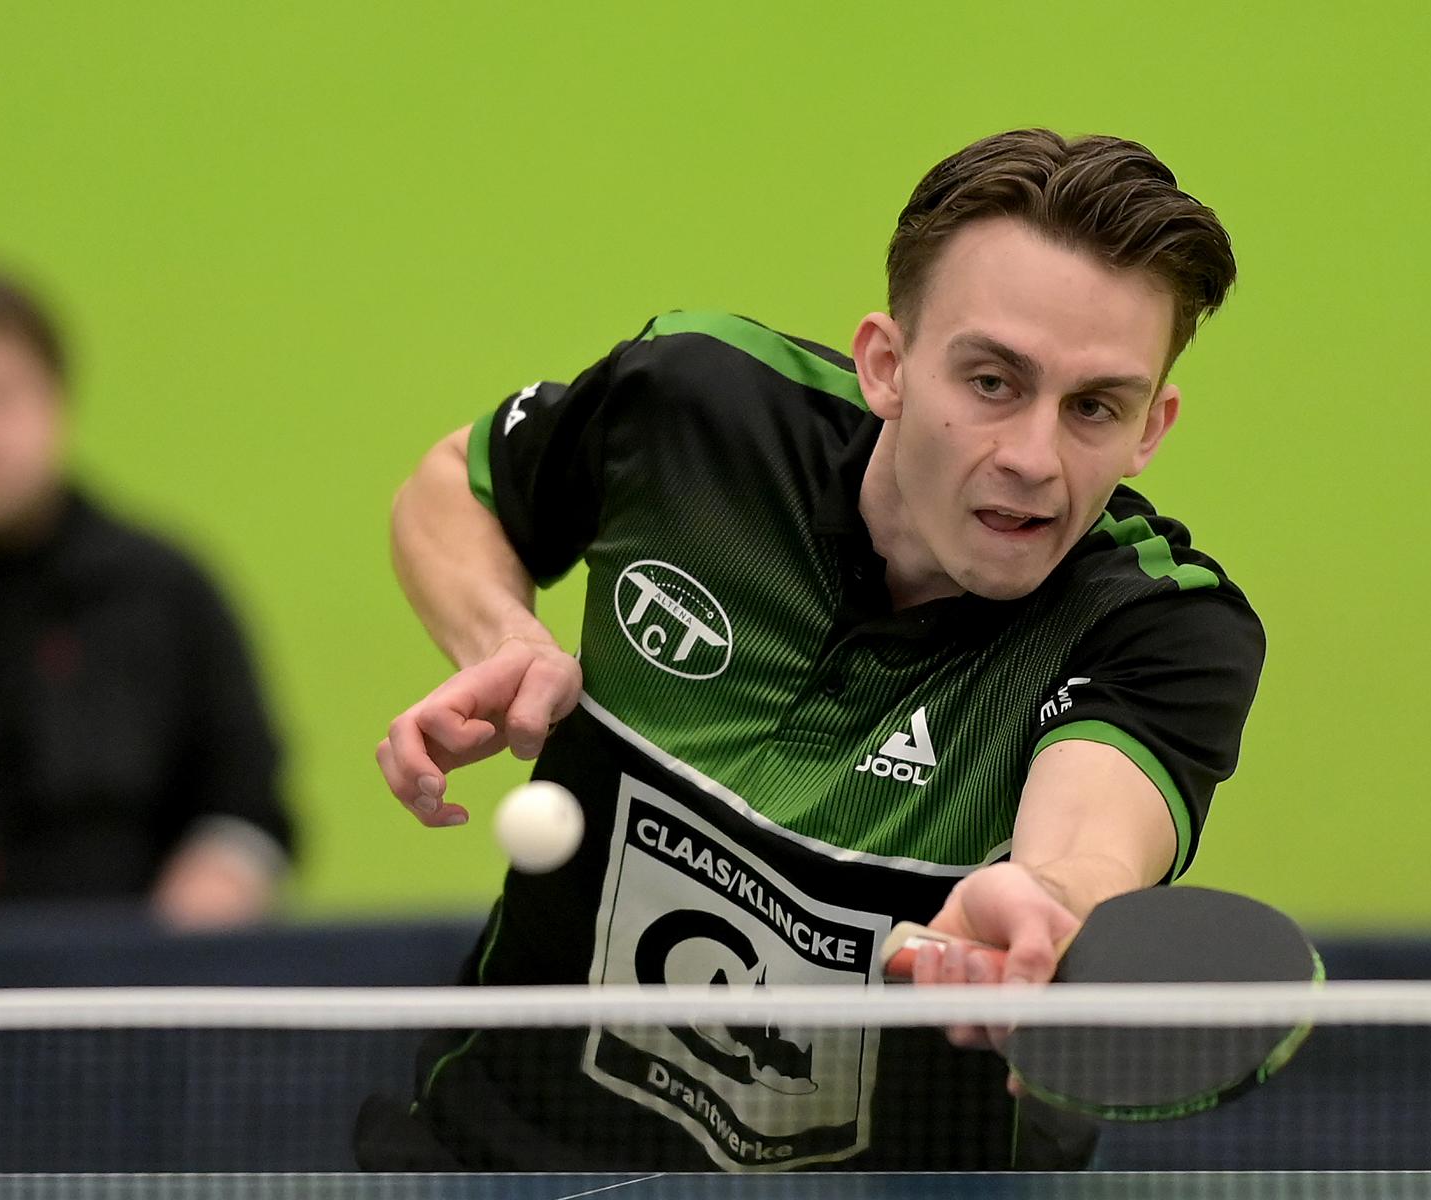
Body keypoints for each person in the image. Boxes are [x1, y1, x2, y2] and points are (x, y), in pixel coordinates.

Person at [359, 129, 1263, 1171]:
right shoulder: (695, 414)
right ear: (887, 364)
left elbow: (1092, 843)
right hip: (495, 1163)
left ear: (1151, 428)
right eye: (991, 382)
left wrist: (1046, 906)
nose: (1032, 458)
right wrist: (504, 637)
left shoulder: (1161, 623)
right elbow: (456, 485)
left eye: (1094, 407)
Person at [0, 269, 294, 929]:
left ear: (57, 404)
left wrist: (218, 881)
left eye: (0, 399)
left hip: (121, 980)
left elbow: (248, 806)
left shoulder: (166, 592)